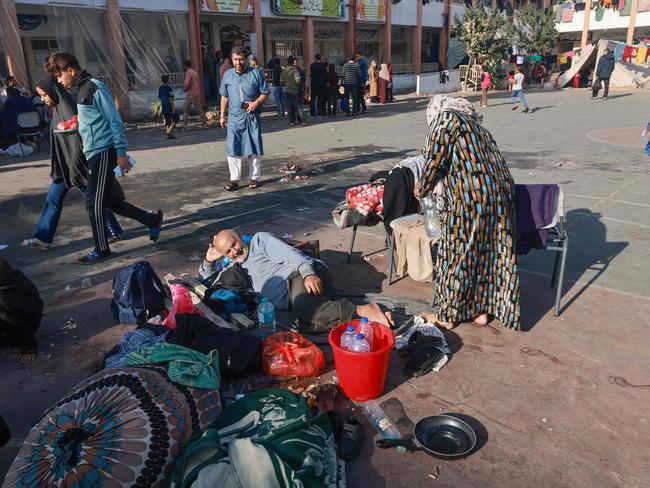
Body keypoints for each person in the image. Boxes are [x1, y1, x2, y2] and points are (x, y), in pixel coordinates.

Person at [46, 52, 164, 264]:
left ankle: (102, 249)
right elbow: (94, 122)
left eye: (59, 75)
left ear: (71, 71)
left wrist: (121, 153)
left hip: (103, 152)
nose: (58, 80)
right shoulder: (81, 89)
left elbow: (115, 121)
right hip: (93, 152)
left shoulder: (94, 87)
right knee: (111, 201)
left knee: (93, 202)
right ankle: (151, 219)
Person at [415, 95, 520, 330]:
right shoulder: (478, 127)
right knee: (487, 252)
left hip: (470, 198)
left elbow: (434, 160)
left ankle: (447, 316)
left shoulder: (446, 120)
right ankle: (480, 311)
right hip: (502, 196)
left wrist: (421, 188)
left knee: (456, 253)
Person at [199, 230, 394, 332]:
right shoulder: (237, 266)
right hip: (291, 296)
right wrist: (208, 260)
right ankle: (371, 319)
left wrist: (308, 274)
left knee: (304, 308)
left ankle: (363, 310)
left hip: (301, 274)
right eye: (229, 251)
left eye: (234, 244)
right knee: (305, 325)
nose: (235, 251)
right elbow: (206, 281)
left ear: (239, 237)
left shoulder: (259, 241)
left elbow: (292, 254)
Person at [20, 76, 122, 250]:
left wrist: (75, 167)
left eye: (44, 95)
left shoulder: (66, 108)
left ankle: (114, 229)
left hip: (75, 167)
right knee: (54, 198)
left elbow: (76, 142)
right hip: (64, 166)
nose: (43, 99)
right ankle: (43, 237)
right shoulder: (59, 107)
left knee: (94, 200)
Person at [219, 46, 270, 191]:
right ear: (231, 59)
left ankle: (254, 178)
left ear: (246, 59)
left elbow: (265, 92)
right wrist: (222, 116)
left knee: (253, 148)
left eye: (241, 59)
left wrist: (255, 103)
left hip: (251, 117)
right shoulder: (227, 75)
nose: (238, 62)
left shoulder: (256, 73)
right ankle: (234, 180)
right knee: (233, 149)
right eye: (235, 59)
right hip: (234, 118)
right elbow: (224, 96)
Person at [0, 258, 43, 364]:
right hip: (32, 316)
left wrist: (29, 348)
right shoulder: (17, 275)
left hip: (18, 333)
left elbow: (17, 325)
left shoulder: (3, 299)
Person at [182, 60, 206, 129]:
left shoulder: (188, 72)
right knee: (185, 108)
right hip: (193, 93)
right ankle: (184, 124)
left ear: (185, 66)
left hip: (193, 93)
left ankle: (204, 123)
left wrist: (184, 89)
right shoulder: (194, 72)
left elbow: (187, 83)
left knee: (198, 109)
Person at [282, 56, 306, 126]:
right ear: (293, 62)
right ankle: (302, 121)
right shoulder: (294, 70)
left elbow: (281, 81)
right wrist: (296, 86)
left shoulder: (283, 70)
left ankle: (292, 122)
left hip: (287, 91)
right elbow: (298, 80)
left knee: (290, 107)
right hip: (294, 91)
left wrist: (287, 84)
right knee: (298, 106)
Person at [158, 74, 178, 139]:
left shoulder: (160, 88)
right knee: (176, 118)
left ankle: (169, 134)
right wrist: (173, 107)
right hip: (169, 106)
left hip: (164, 106)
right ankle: (169, 131)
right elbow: (170, 98)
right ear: (167, 80)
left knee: (167, 121)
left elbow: (160, 98)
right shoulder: (169, 88)